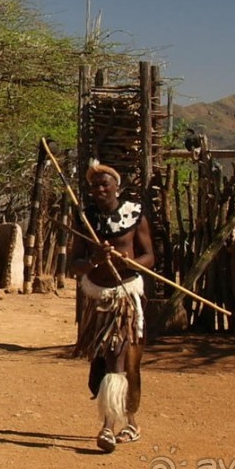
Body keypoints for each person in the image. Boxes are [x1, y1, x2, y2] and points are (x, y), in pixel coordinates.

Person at [69, 161, 154, 453]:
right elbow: (75, 265)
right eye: (95, 186)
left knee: (119, 358)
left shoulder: (135, 215)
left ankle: (108, 427)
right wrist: (95, 261)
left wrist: (125, 261)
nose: (100, 189)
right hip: (98, 300)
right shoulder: (86, 220)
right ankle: (131, 422)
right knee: (103, 362)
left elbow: (149, 257)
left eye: (105, 184)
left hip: (124, 297)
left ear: (117, 186)